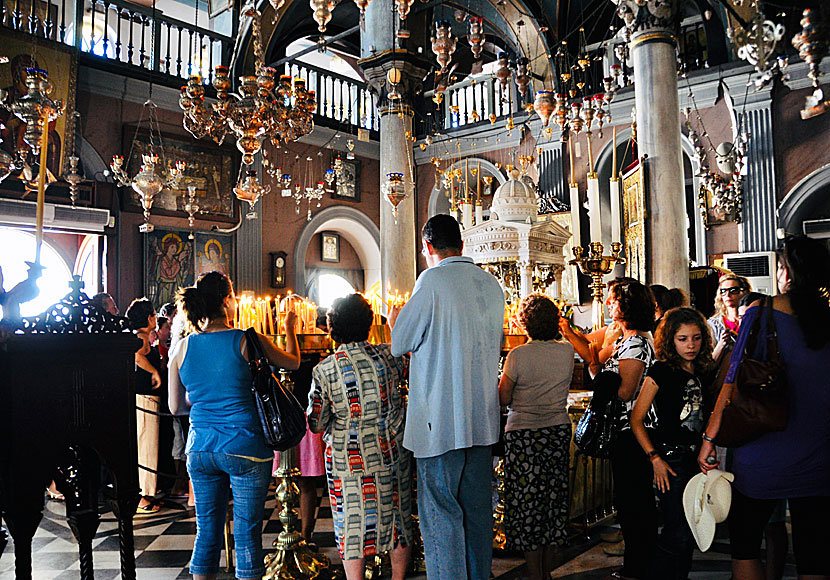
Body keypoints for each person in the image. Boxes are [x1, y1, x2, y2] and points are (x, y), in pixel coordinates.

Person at [699, 235, 830, 580]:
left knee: (744, 543)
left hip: (764, 449)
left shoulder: (762, 311)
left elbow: (732, 377)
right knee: (814, 553)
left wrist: (710, 437)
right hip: (820, 450)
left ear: (785, 272)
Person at [389, 214, 504, 580]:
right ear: (462, 244)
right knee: (477, 515)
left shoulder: (432, 280)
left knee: (441, 516)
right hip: (481, 420)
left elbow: (400, 344)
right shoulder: (491, 284)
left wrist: (395, 318)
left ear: (427, 248)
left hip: (439, 422)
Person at [168, 271, 300, 580]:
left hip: (200, 449)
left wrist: (204, 397)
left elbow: (176, 407)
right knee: (246, 534)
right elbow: (292, 362)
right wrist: (290, 328)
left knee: (207, 533)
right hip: (246, 447)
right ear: (228, 301)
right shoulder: (246, 339)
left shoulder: (180, 348)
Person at [307, 294, 413, 580]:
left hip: (348, 460)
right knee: (397, 520)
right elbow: (411, 372)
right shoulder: (390, 356)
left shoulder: (325, 369)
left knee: (351, 524)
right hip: (391, 451)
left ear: (332, 328)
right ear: (368, 324)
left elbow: (316, 423)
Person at [630, 307, 715, 580]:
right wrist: (655, 458)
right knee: (675, 529)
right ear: (670, 340)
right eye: (682, 339)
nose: (690, 345)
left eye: (696, 337)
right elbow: (636, 419)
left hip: (698, 458)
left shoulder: (704, 368)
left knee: (691, 530)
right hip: (671, 459)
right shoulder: (662, 370)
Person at [497, 294, 574, 580]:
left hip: (523, 433)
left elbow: (504, 399)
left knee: (528, 502)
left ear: (523, 322)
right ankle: (548, 572)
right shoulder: (565, 351)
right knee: (552, 500)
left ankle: (534, 574)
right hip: (556, 429)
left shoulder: (518, 355)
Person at [602, 279, 659, 580]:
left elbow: (625, 392)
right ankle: (638, 562)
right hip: (627, 431)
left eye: (613, 300)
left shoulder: (636, 343)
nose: (609, 304)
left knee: (634, 502)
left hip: (631, 432)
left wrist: (605, 385)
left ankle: (639, 566)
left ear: (626, 305)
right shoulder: (628, 340)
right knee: (631, 502)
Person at [126, 297, 163, 514]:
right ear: (149, 318)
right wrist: (154, 371)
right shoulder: (140, 338)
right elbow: (138, 357)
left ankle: (145, 493)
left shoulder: (140, 336)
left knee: (146, 445)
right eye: (154, 314)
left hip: (145, 398)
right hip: (145, 398)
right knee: (146, 446)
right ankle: (142, 496)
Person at [708, 274, 751, 365]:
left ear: (745, 292)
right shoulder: (713, 324)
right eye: (723, 291)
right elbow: (709, 363)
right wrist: (721, 344)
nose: (727, 294)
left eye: (733, 290)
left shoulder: (752, 320)